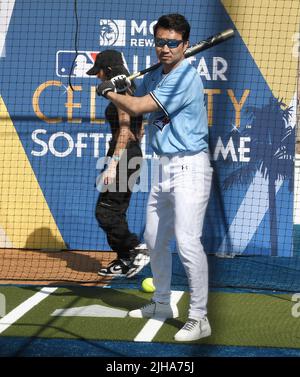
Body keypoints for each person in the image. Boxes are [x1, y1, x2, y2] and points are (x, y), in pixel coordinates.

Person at [96, 14, 213, 342]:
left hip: (190, 167)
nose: (165, 48)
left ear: (185, 45)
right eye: (160, 42)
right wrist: (122, 83)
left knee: (188, 242)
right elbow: (134, 95)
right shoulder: (158, 75)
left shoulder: (185, 78)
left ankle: (200, 317)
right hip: (163, 167)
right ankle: (162, 303)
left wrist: (111, 92)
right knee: (154, 237)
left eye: (172, 43)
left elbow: (138, 105)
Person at [86, 50, 150, 278]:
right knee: (116, 210)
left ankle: (134, 250)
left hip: (123, 156)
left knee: (105, 212)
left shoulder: (119, 91)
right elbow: (139, 129)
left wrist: (113, 165)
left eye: (99, 72)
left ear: (108, 70)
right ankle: (124, 259)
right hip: (132, 154)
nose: (97, 77)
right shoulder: (131, 89)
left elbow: (124, 129)